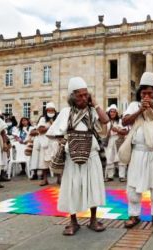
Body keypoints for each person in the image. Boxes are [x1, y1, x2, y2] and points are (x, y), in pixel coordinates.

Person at [47, 77, 109, 235]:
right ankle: (73, 222)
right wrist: (67, 141)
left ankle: (93, 220)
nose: (83, 98)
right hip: (72, 157)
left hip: (91, 156)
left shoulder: (93, 111)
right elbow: (52, 133)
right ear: (72, 96)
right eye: (80, 95)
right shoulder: (66, 112)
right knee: (72, 188)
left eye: (85, 95)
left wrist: (95, 103)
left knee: (93, 186)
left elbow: (106, 120)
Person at [122, 72, 153, 229]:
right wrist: (140, 110)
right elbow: (125, 121)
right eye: (144, 93)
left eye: (150, 93)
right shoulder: (133, 106)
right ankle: (134, 215)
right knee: (133, 183)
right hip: (138, 151)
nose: (147, 96)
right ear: (139, 93)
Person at [30, 102, 59, 186]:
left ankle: (59, 178)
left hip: (55, 142)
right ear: (46, 111)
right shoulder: (42, 119)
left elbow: (60, 129)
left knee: (57, 161)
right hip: (45, 142)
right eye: (49, 110)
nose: (50, 111)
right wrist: (51, 127)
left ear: (54, 110)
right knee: (44, 162)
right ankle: (45, 179)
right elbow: (40, 130)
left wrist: (50, 127)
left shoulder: (58, 118)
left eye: (52, 110)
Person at [104, 104, 128, 182]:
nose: (112, 113)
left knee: (121, 158)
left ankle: (122, 176)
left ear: (116, 113)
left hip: (119, 139)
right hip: (110, 140)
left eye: (114, 112)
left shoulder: (120, 121)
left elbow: (125, 131)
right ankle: (110, 176)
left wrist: (117, 130)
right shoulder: (106, 121)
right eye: (111, 112)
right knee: (109, 157)